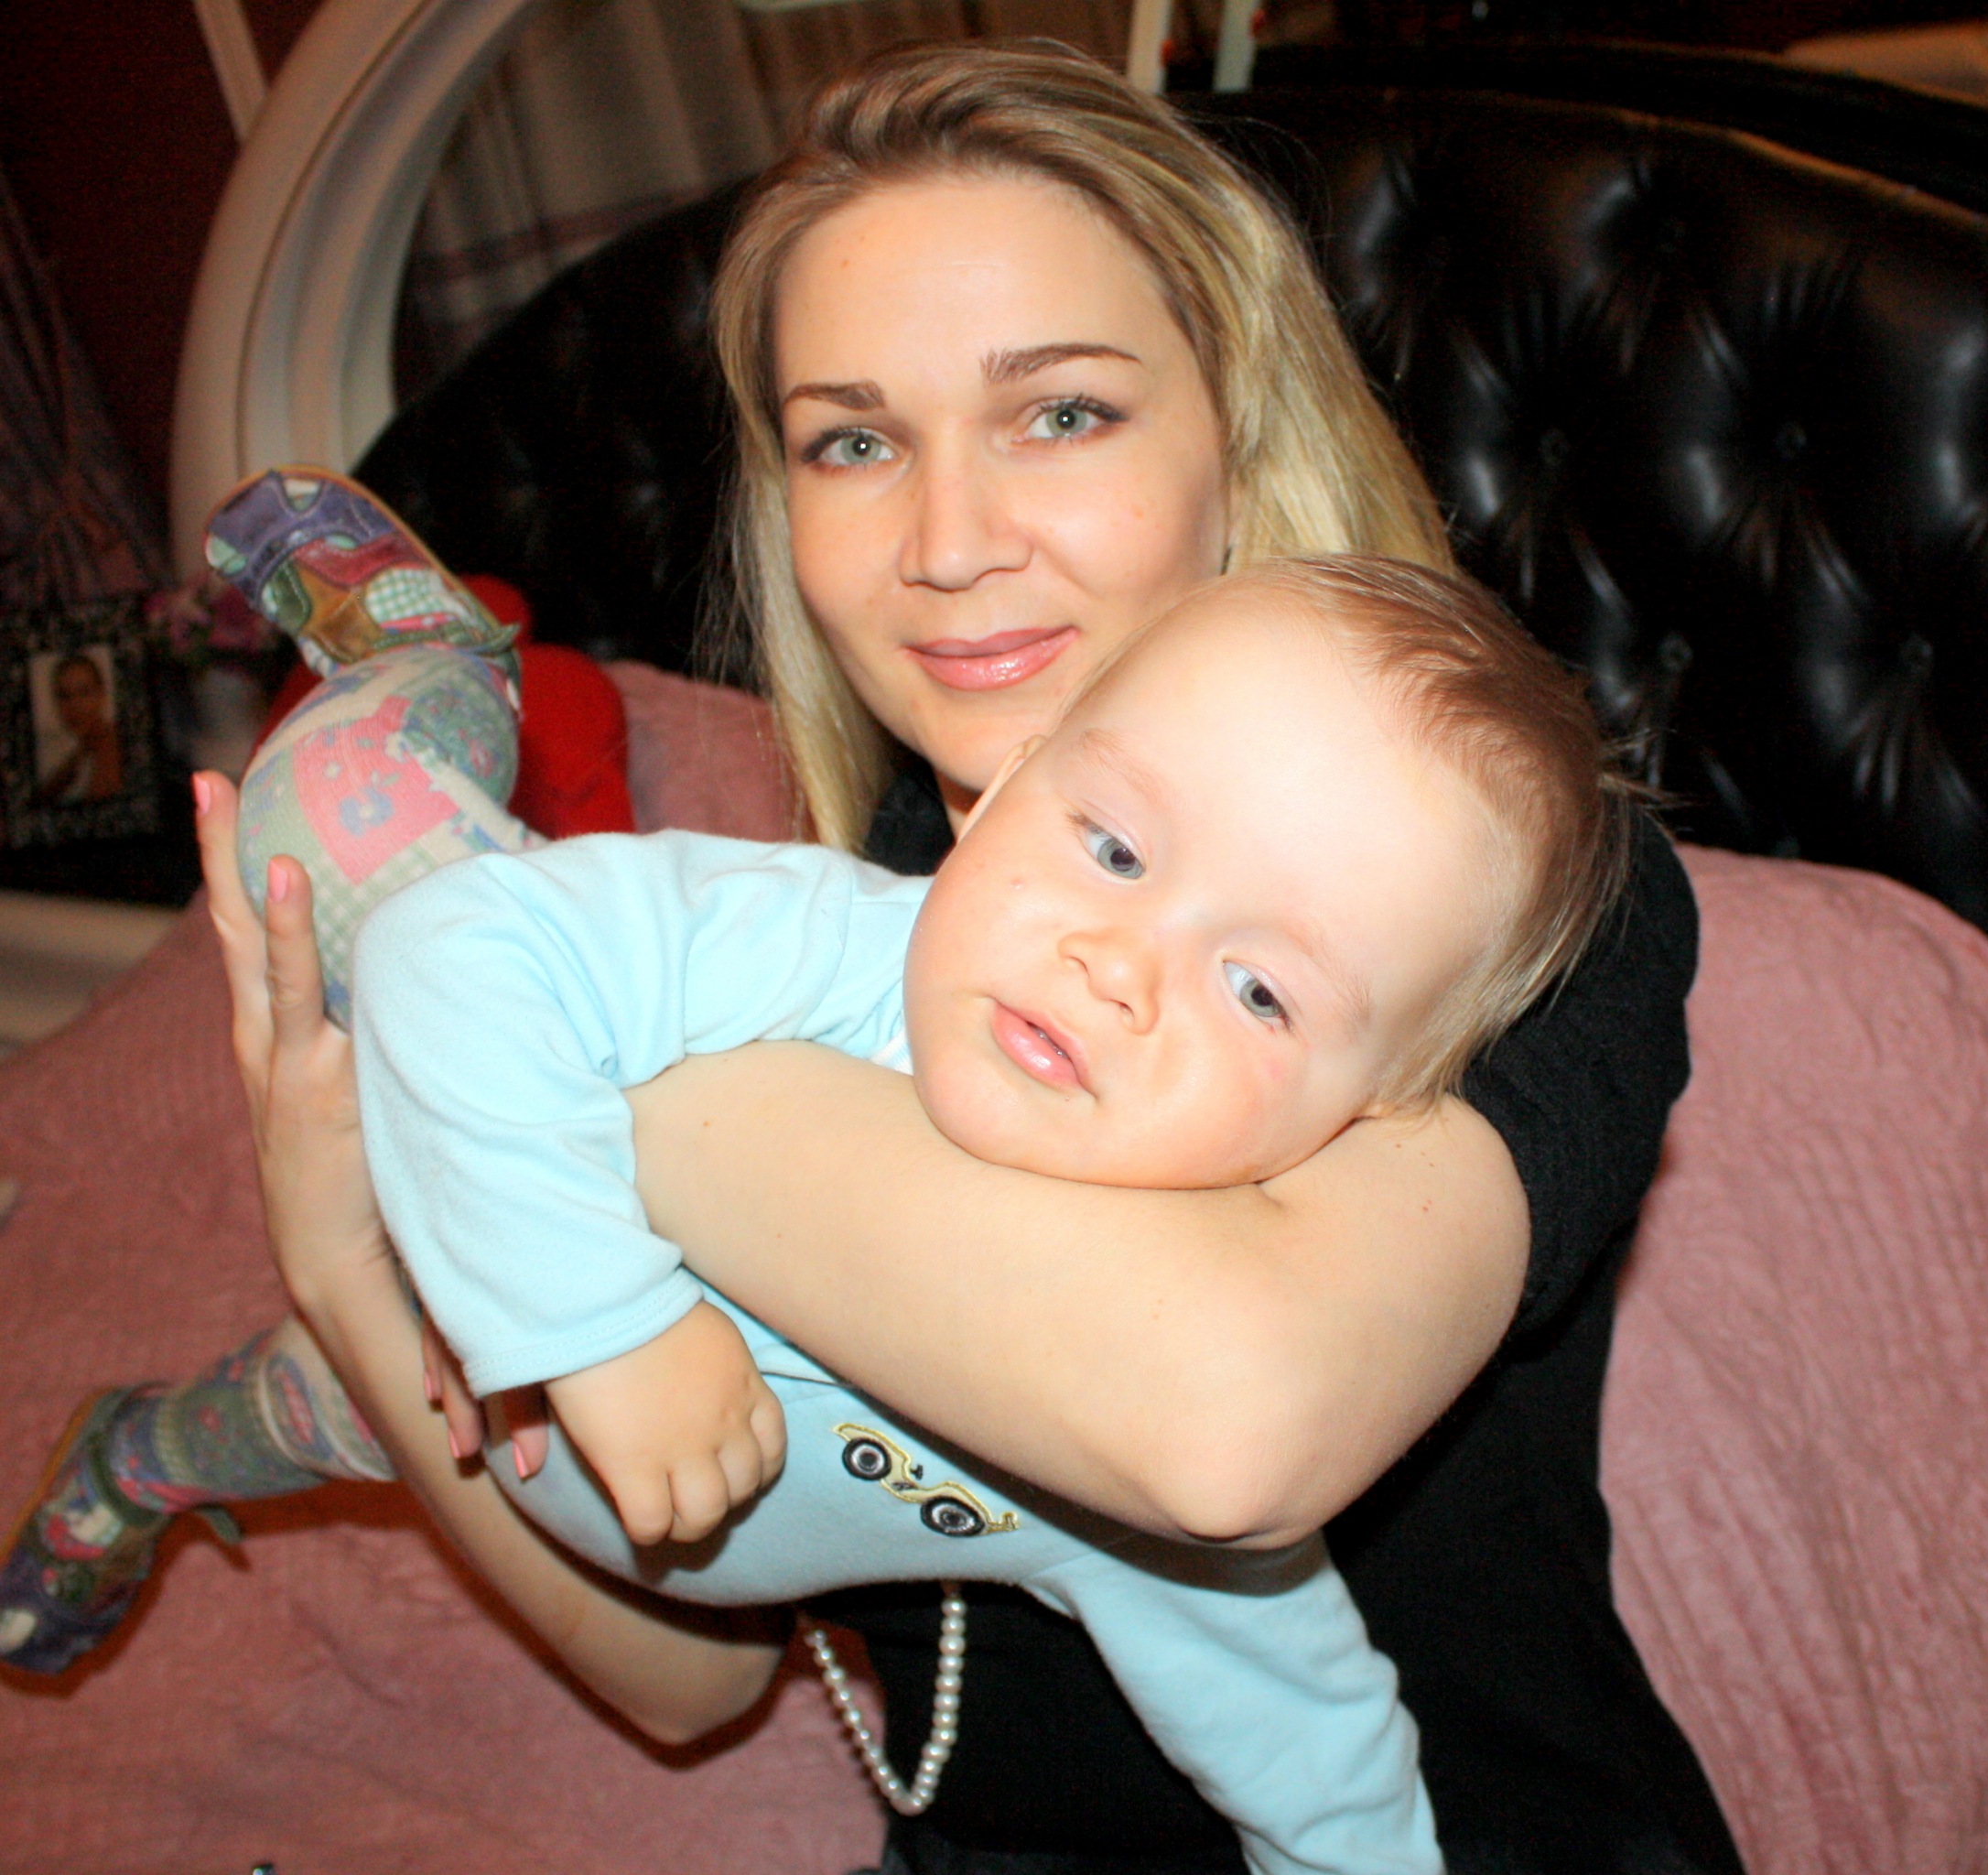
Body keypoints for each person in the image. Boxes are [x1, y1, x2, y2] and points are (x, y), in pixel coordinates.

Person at [6, 43, 1742, 1875]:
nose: (949, 542)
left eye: (1058, 412)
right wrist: (354, 1259)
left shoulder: (1503, 897)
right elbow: (687, 1667)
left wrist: (500, 1050)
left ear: (1239, 435)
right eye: (853, 440)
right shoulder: (856, 922)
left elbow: (1222, 1428)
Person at [33, 652, 124, 805]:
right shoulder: (85, 749)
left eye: (84, 693)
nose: (74, 706)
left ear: (102, 695)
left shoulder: (111, 745)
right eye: (64, 696)